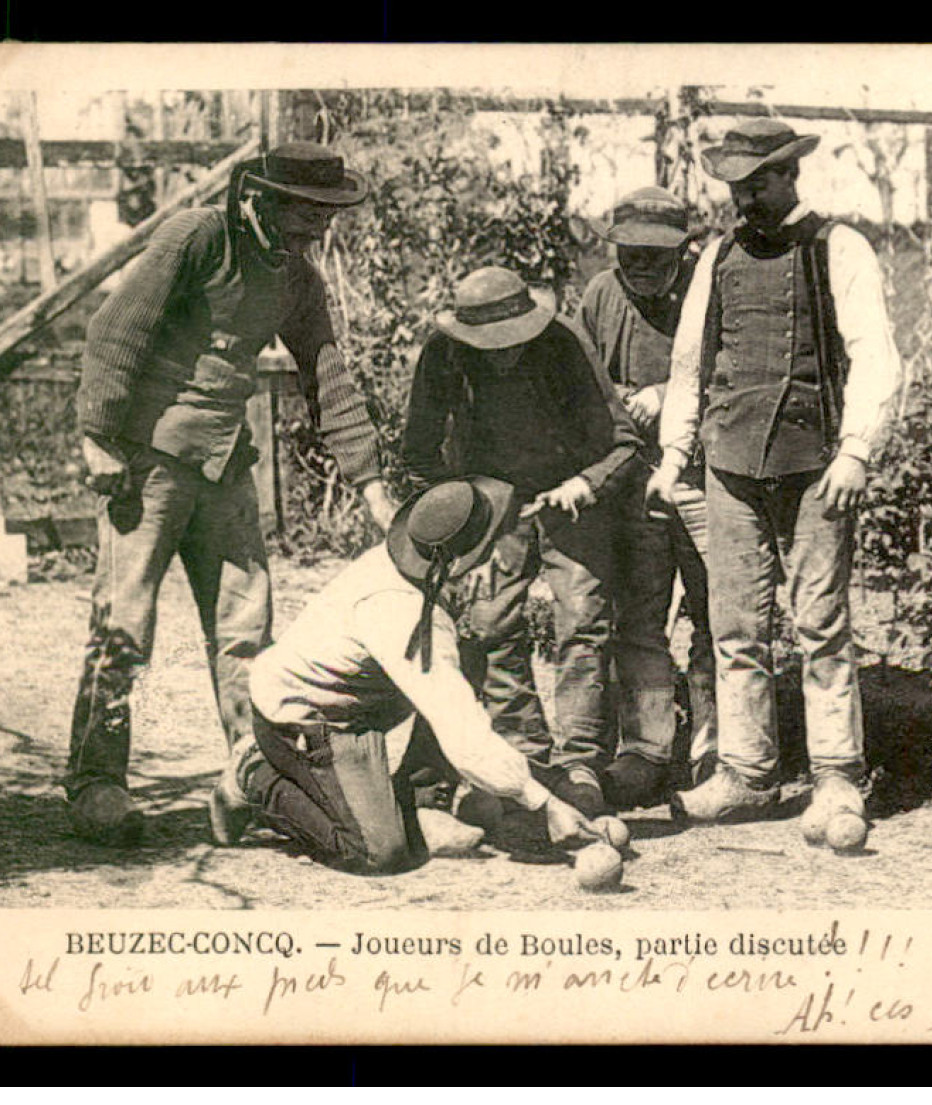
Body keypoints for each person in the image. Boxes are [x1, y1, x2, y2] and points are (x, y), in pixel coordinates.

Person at [66, 143, 397, 845]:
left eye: (326, 213)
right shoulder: (197, 237)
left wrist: (370, 484)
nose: (316, 227)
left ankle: (249, 771)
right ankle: (96, 781)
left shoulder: (296, 278)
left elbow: (326, 373)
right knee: (124, 625)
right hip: (146, 461)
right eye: (306, 211)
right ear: (264, 198)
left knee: (247, 630)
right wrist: (98, 433)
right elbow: (116, 329)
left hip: (224, 466)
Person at [646, 119, 904, 840]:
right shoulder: (718, 256)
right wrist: (674, 456)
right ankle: (747, 774)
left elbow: (874, 354)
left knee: (820, 624)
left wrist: (855, 448)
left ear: (789, 175)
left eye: (756, 183)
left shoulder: (837, 248)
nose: (744, 198)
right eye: (735, 185)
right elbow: (690, 365)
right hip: (729, 469)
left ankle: (836, 779)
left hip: (817, 468)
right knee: (734, 628)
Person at [217, 476, 602, 872]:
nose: (495, 555)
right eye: (487, 548)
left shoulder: (414, 568)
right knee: (378, 851)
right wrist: (544, 803)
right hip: (303, 717)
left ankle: (419, 798)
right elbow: (460, 727)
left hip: (355, 700)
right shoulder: (399, 609)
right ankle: (255, 776)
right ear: (458, 559)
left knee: (465, 657)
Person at [401, 266, 643, 817]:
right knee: (489, 625)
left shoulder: (565, 344)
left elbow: (622, 443)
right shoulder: (441, 355)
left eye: (511, 345)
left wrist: (584, 484)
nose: (500, 356)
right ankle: (525, 756)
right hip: (487, 506)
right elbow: (418, 452)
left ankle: (581, 763)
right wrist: (459, 519)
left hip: (569, 494)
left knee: (583, 622)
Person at [575, 187, 717, 807]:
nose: (642, 267)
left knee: (719, 615)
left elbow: (741, 372)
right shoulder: (603, 295)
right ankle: (647, 750)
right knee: (639, 615)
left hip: (706, 475)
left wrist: (668, 393)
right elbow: (576, 377)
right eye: (630, 254)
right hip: (633, 476)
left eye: (656, 256)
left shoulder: (709, 289)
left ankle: (718, 749)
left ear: (684, 251)